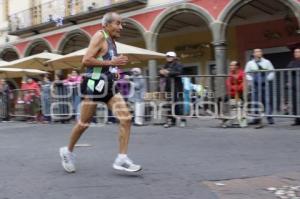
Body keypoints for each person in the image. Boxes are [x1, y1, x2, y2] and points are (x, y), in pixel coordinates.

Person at [59, 12, 142, 173]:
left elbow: (107, 65)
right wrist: (112, 62)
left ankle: (122, 158)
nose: (121, 27)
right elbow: (86, 60)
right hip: (94, 85)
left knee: (126, 118)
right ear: (106, 25)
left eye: (121, 24)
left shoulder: (112, 42)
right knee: (84, 123)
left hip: (109, 84)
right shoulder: (99, 36)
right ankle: (67, 151)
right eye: (118, 23)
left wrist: (115, 71)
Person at [245, 49, 275, 129]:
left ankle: (269, 117)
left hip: (265, 84)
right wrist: (251, 81)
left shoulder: (267, 62)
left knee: (267, 100)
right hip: (255, 84)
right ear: (254, 54)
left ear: (262, 53)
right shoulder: (250, 63)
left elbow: (272, 71)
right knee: (255, 101)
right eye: (257, 52)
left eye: (260, 52)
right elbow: (247, 73)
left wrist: (267, 79)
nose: (259, 53)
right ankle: (256, 118)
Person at [160, 51, 184, 128]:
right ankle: (171, 120)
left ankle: (182, 120)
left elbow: (179, 72)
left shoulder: (178, 63)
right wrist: (161, 72)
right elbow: (161, 73)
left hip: (177, 87)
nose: (168, 57)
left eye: (169, 56)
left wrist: (168, 72)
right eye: (167, 56)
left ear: (174, 57)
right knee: (169, 104)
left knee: (178, 104)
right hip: (169, 87)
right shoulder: (166, 64)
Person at [287, 47, 300, 126]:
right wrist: (287, 82)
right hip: (295, 87)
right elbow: (287, 72)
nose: (296, 53)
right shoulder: (292, 62)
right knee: (295, 103)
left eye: (298, 52)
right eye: (295, 52)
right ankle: (297, 120)